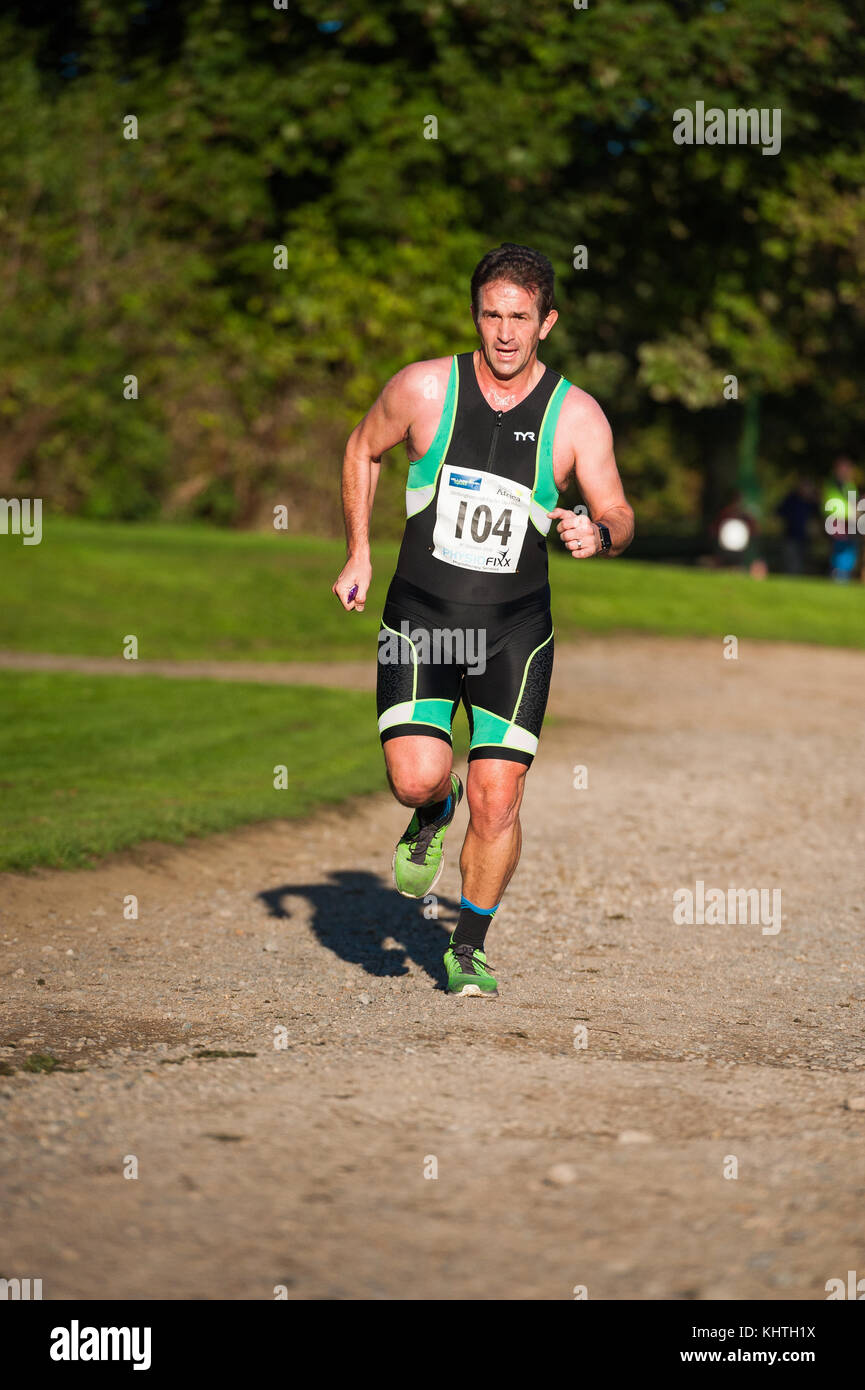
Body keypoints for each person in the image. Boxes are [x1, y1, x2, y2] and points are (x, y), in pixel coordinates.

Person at [332, 243, 634, 997]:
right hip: (423, 621)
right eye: (491, 315)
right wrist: (358, 551)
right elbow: (362, 450)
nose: (503, 333)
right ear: (477, 315)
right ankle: (434, 809)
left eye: (519, 318)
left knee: (501, 794)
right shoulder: (424, 388)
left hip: (513, 632)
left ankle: (468, 944)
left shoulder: (576, 415)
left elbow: (618, 510)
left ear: (546, 322)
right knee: (415, 777)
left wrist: (599, 534)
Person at [823, 456, 860, 583]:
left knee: (850, 552)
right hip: (837, 523)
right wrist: (852, 513)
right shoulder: (832, 485)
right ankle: (838, 576)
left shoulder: (850, 486)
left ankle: (843, 576)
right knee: (840, 551)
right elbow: (832, 504)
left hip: (850, 524)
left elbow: (853, 503)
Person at [775, 477, 819, 575]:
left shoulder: (812, 503)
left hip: (806, 539)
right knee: (791, 564)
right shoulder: (791, 499)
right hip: (791, 536)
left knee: (802, 564)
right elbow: (779, 512)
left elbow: (816, 519)